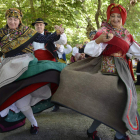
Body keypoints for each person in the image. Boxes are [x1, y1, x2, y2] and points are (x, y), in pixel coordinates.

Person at [52, 3, 140, 140]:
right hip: (103, 66)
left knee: (116, 102)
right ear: (109, 17)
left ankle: (97, 131)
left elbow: (135, 51)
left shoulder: (127, 34)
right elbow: (91, 51)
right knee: (111, 100)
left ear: (123, 18)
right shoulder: (104, 31)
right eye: (113, 16)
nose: (115, 19)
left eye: (118, 16)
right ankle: (119, 134)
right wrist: (98, 41)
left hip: (122, 70)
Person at [0, 8, 67, 135]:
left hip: (25, 61)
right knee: (17, 100)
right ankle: (32, 122)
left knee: (39, 82)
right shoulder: (1, 33)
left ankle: (34, 118)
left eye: (15, 19)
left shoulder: (27, 31)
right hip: (7, 64)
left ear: (19, 20)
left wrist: (57, 33)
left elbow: (45, 39)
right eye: (10, 19)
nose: (12, 22)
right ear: (6, 19)